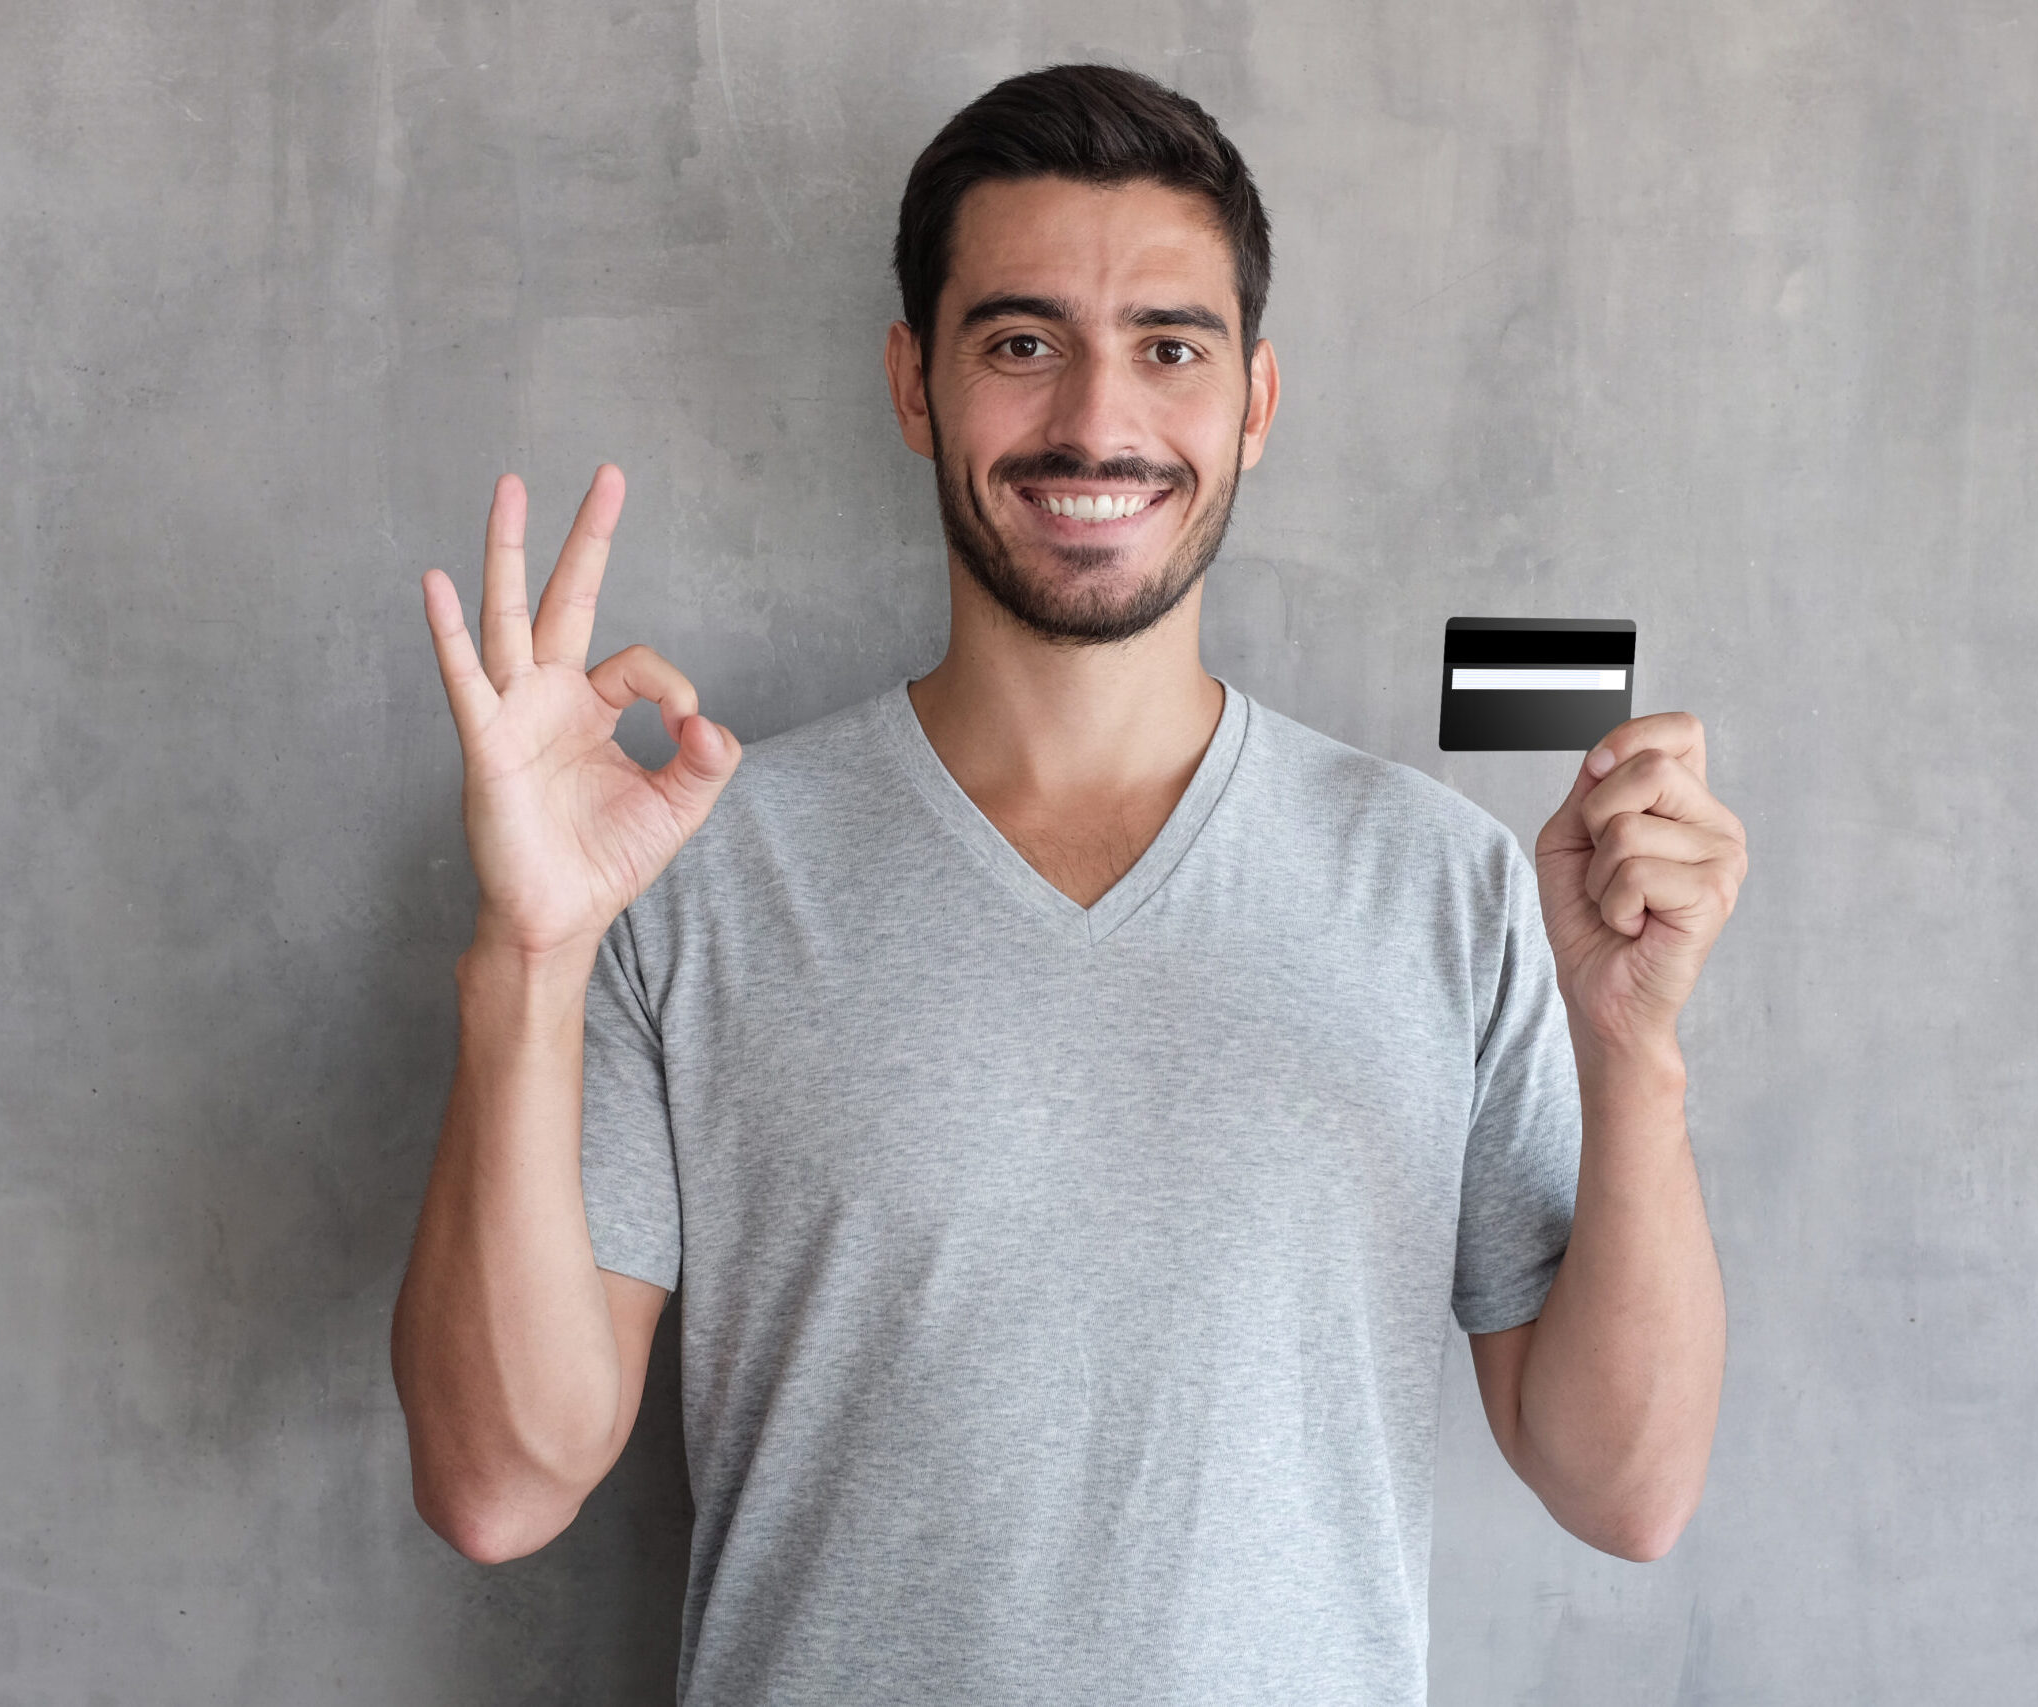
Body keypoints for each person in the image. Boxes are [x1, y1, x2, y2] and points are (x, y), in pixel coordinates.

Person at [391, 63, 1743, 1706]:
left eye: (1166, 348)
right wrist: (528, 953)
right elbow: (498, 1484)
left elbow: (1624, 1490)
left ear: (1251, 399)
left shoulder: (1441, 881)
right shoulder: (688, 867)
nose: (1096, 423)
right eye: (1020, 344)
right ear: (913, 383)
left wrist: (1635, 1050)